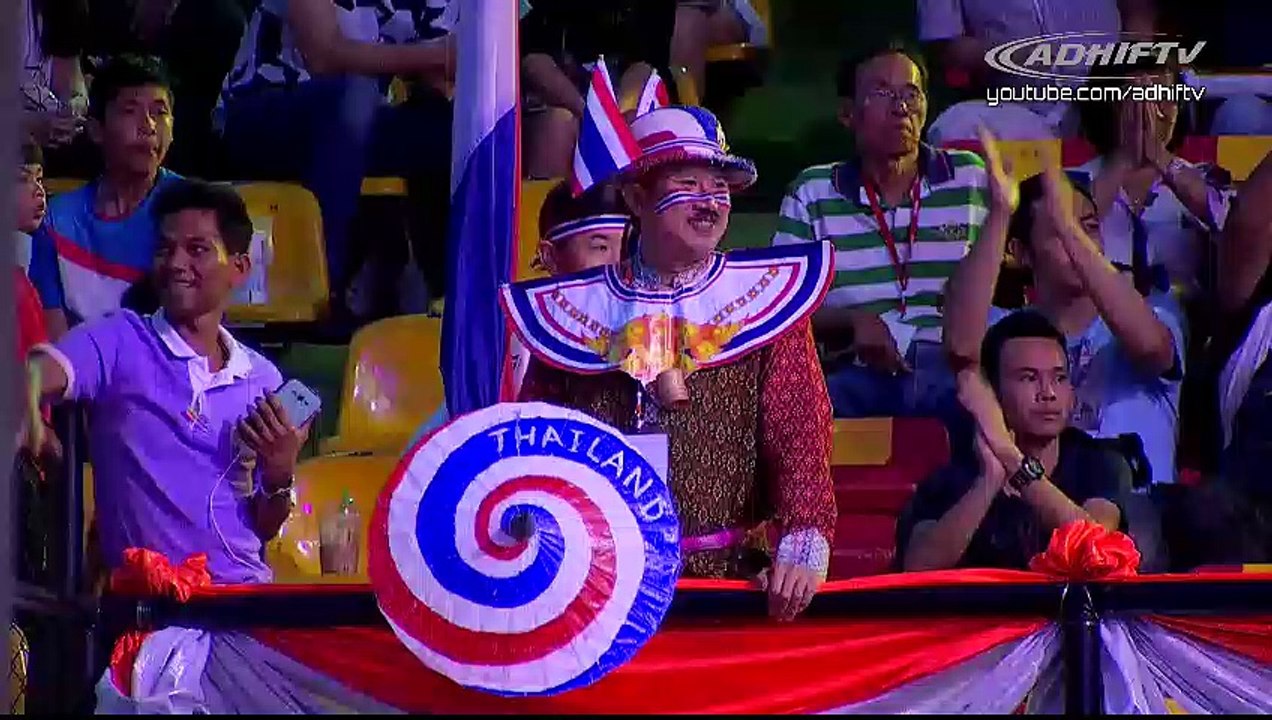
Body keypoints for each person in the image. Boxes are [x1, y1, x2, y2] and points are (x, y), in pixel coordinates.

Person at [507, 106, 837, 619]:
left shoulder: (767, 301)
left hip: (730, 588)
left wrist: (805, 541)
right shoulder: (577, 311)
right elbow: (539, 444)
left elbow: (799, 433)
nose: (710, 200)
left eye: (720, 185)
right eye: (688, 183)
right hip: (595, 589)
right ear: (637, 198)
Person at [26, 179, 307, 584]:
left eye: (197, 249)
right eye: (164, 249)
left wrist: (279, 473)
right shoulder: (118, 339)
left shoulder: (263, 378)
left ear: (240, 268)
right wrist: (35, 430)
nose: (175, 263)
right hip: (154, 603)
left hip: (244, 597)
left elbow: (263, 526)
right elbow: (33, 375)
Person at [944, 136, 1184, 569]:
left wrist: (1067, 229)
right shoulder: (1010, 331)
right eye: (1059, 230)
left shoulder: (1155, 312)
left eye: (1090, 226)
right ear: (1020, 253)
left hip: (1139, 506)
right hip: (1026, 498)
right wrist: (1000, 214)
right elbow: (961, 348)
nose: (1080, 240)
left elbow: (1153, 348)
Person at [772, 39, 988, 460]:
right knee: (795, 417)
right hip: (854, 371)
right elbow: (780, 307)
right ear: (847, 114)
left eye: (911, 93)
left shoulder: (968, 179)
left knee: (991, 411)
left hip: (953, 367)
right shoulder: (813, 192)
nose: (901, 107)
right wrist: (853, 322)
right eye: (882, 93)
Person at [219, 0, 456, 320]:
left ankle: (448, 297)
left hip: (360, 122)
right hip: (265, 110)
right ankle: (325, 287)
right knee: (352, 98)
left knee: (447, 126)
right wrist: (438, 55)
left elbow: (440, 73)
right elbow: (324, 55)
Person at [897, 312, 1129, 571]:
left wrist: (1010, 457)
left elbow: (1095, 547)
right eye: (1029, 378)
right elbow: (917, 567)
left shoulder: (1100, 463)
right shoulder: (952, 479)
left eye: (1059, 378)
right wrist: (988, 482)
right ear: (994, 394)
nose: (1048, 393)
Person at [27, 54, 182, 339]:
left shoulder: (191, 211)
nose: (149, 125)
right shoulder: (56, 222)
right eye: (130, 111)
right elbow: (55, 344)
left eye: (160, 112)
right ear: (96, 130)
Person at [1070, 60, 1233, 301]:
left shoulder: (1204, 177)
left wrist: (1158, 156)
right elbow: (1063, 234)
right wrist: (1124, 159)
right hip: (1093, 312)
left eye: (1164, 96)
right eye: (1136, 98)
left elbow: (1233, 224)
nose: (1152, 111)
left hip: (1182, 315)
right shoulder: (1074, 181)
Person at [917, 0, 1125, 144]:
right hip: (1021, 111)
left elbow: (1138, 15)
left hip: (1111, 100)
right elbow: (943, 49)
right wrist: (1011, 55)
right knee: (953, 127)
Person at [521, 0, 677, 179]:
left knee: (637, 122)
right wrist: (592, 115)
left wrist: (614, 121)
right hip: (562, 98)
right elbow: (533, 63)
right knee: (558, 124)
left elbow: (646, 66)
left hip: (622, 93)